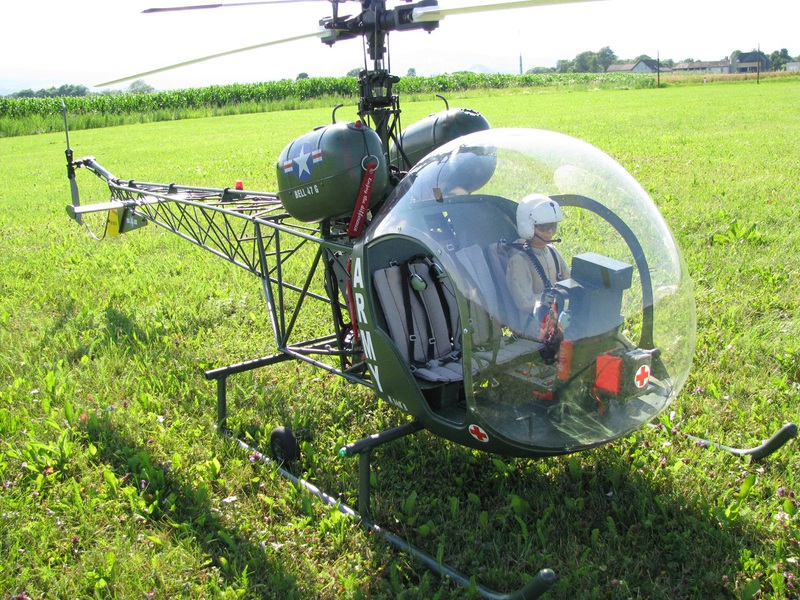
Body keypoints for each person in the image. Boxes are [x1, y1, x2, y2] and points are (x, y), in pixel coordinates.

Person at [505, 194, 570, 344]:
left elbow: (569, 281)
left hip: (555, 317)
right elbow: (524, 302)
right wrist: (553, 302)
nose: (549, 231)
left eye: (552, 226)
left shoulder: (553, 252)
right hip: (532, 325)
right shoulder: (519, 260)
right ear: (528, 226)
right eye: (543, 227)